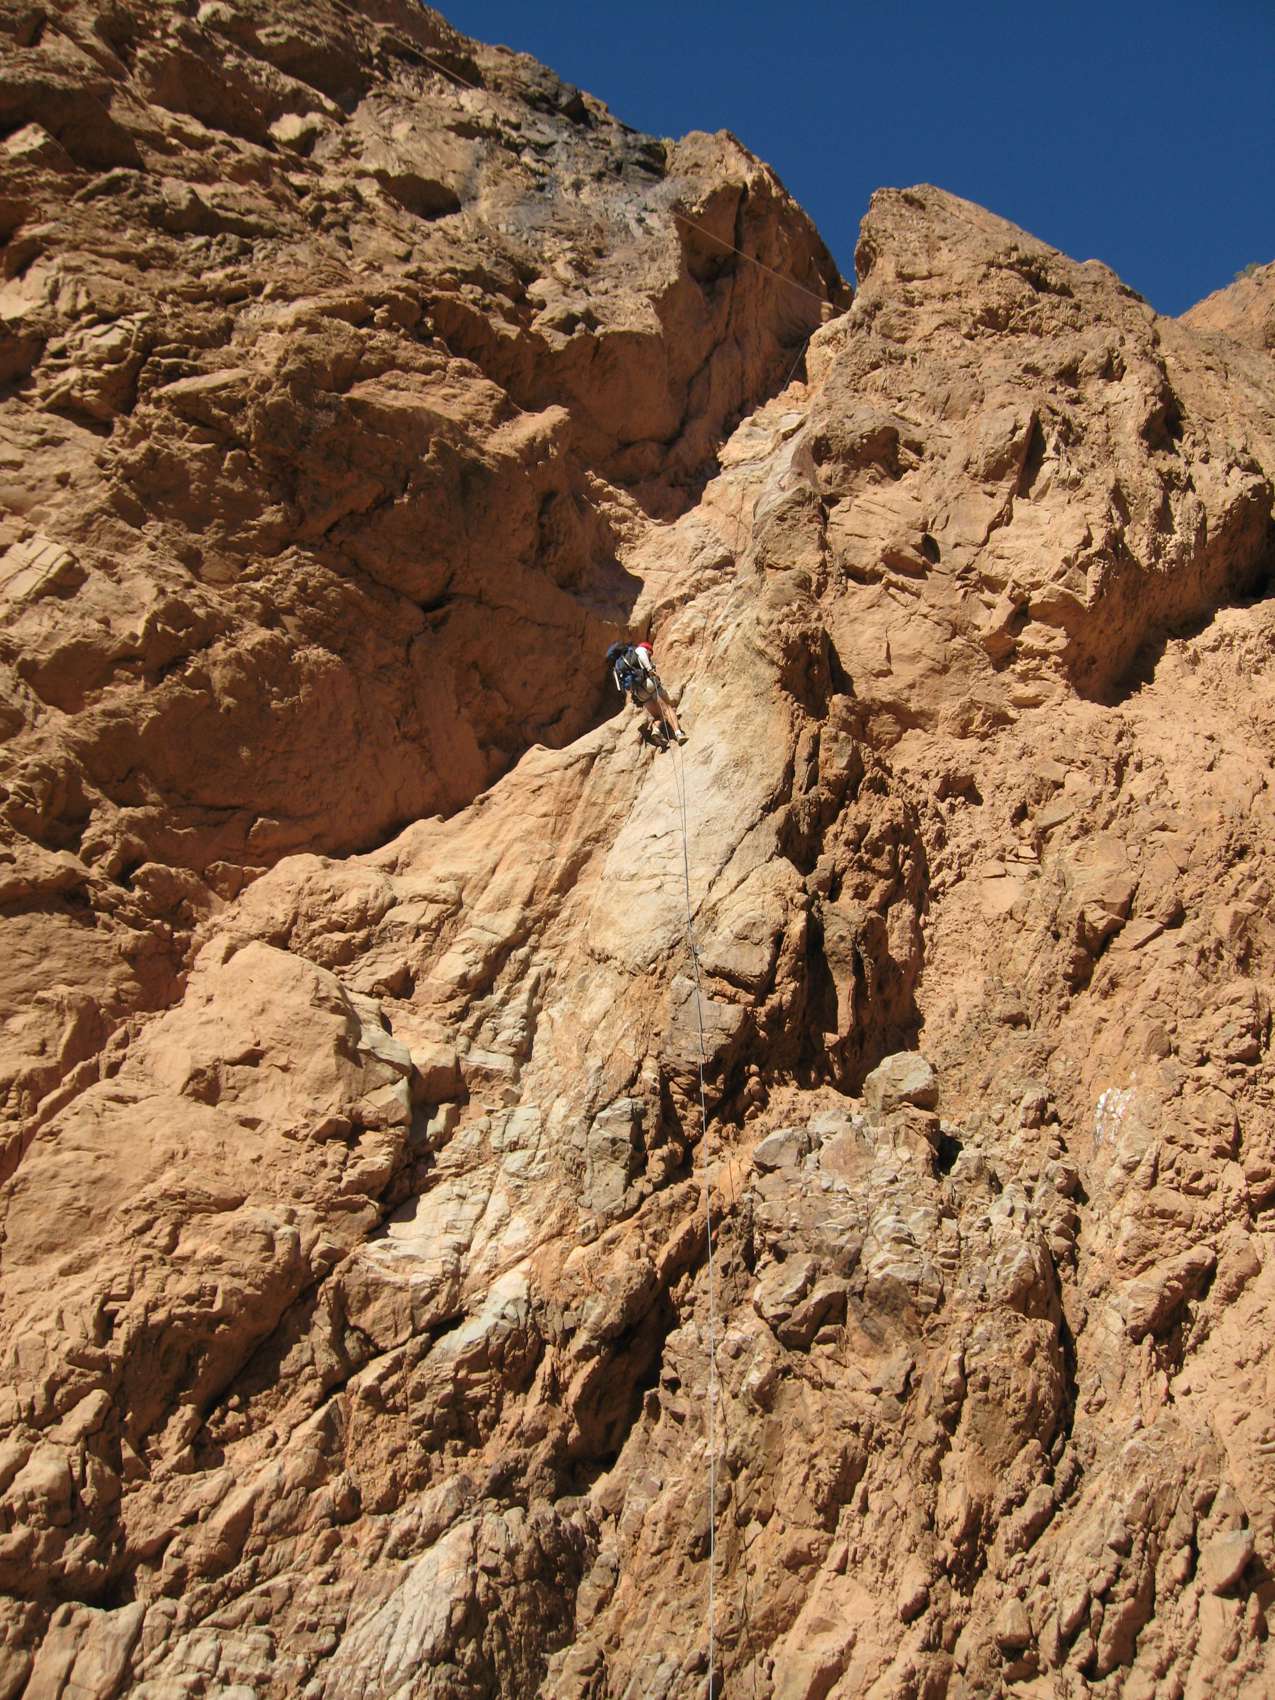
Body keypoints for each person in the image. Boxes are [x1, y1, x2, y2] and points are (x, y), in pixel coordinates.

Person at [606, 638, 687, 746]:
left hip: (639, 693)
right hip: (648, 683)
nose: (650, 655)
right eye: (650, 652)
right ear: (647, 648)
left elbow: (622, 687)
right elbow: (644, 658)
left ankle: (656, 730)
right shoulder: (639, 649)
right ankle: (678, 734)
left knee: (658, 715)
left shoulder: (617, 668)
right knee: (667, 709)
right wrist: (650, 670)